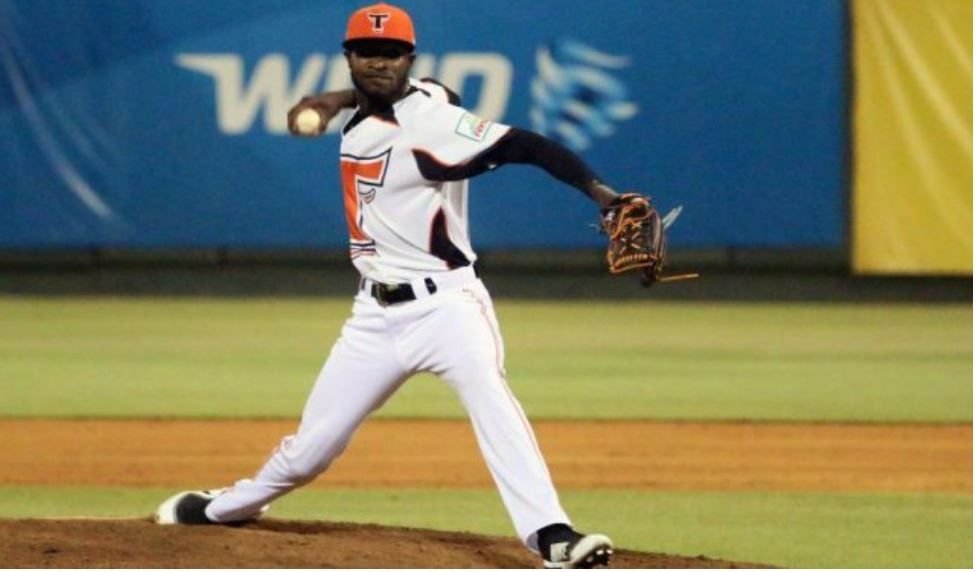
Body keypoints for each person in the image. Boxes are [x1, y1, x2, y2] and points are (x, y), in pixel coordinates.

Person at [155, 3, 621, 568]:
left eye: (392, 53)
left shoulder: (432, 122)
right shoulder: (408, 99)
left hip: (448, 306)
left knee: (492, 401)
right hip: (373, 317)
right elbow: (406, 89)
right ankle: (224, 508)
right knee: (311, 451)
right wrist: (333, 101)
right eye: (368, 52)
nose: (380, 62)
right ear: (349, 57)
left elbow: (527, 146)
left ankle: (553, 536)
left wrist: (604, 196)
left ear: (409, 60)